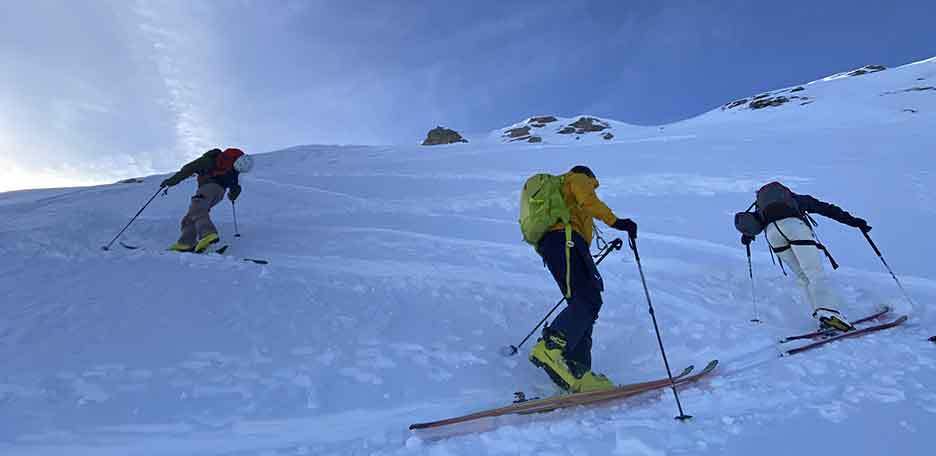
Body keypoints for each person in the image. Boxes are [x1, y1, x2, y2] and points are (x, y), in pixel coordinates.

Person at [529, 165, 637, 393]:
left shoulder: (564, 198)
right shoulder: (577, 177)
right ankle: (551, 347)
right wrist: (618, 222)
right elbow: (588, 201)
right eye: (593, 184)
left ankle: (576, 369)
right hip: (564, 242)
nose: (593, 188)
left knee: (586, 302)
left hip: (563, 245)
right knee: (587, 299)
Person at [738, 181, 871, 331]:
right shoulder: (797, 200)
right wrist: (854, 222)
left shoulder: (761, 209)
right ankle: (829, 314)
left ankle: (822, 315)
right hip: (795, 228)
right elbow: (827, 209)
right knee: (814, 272)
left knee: (803, 276)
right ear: (786, 192)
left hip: (773, 235)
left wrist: (747, 237)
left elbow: (751, 226)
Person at [160, 148, 254, 253]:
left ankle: (207, 234)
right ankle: (185, 243)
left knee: (197, 209)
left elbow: (188, 168)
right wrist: (233, 195)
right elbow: (235, 187)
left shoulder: (208, 160)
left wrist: (171, 181)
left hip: (207, 188)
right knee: (190, 217)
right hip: (219, 194)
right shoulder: (233, 168)